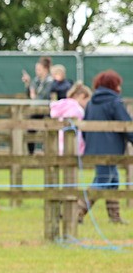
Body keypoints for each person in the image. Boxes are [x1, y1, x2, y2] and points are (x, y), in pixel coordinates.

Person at [77, 70, 132, 224]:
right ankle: (76, 211)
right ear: (113, 85)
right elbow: (127, 126)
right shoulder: (115, 102)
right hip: (110, 149)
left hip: (94, 148)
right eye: (118, 84)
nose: (120, 88)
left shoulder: (91, 103)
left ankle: (115, 217)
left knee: (113, 180)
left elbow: (85, 127)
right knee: (103, 180)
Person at [49, 83, 90, 155]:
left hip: (58, 143)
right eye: (87, 100)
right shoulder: (78, 109)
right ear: (82, 96)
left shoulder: (63, 106)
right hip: (74, 144)